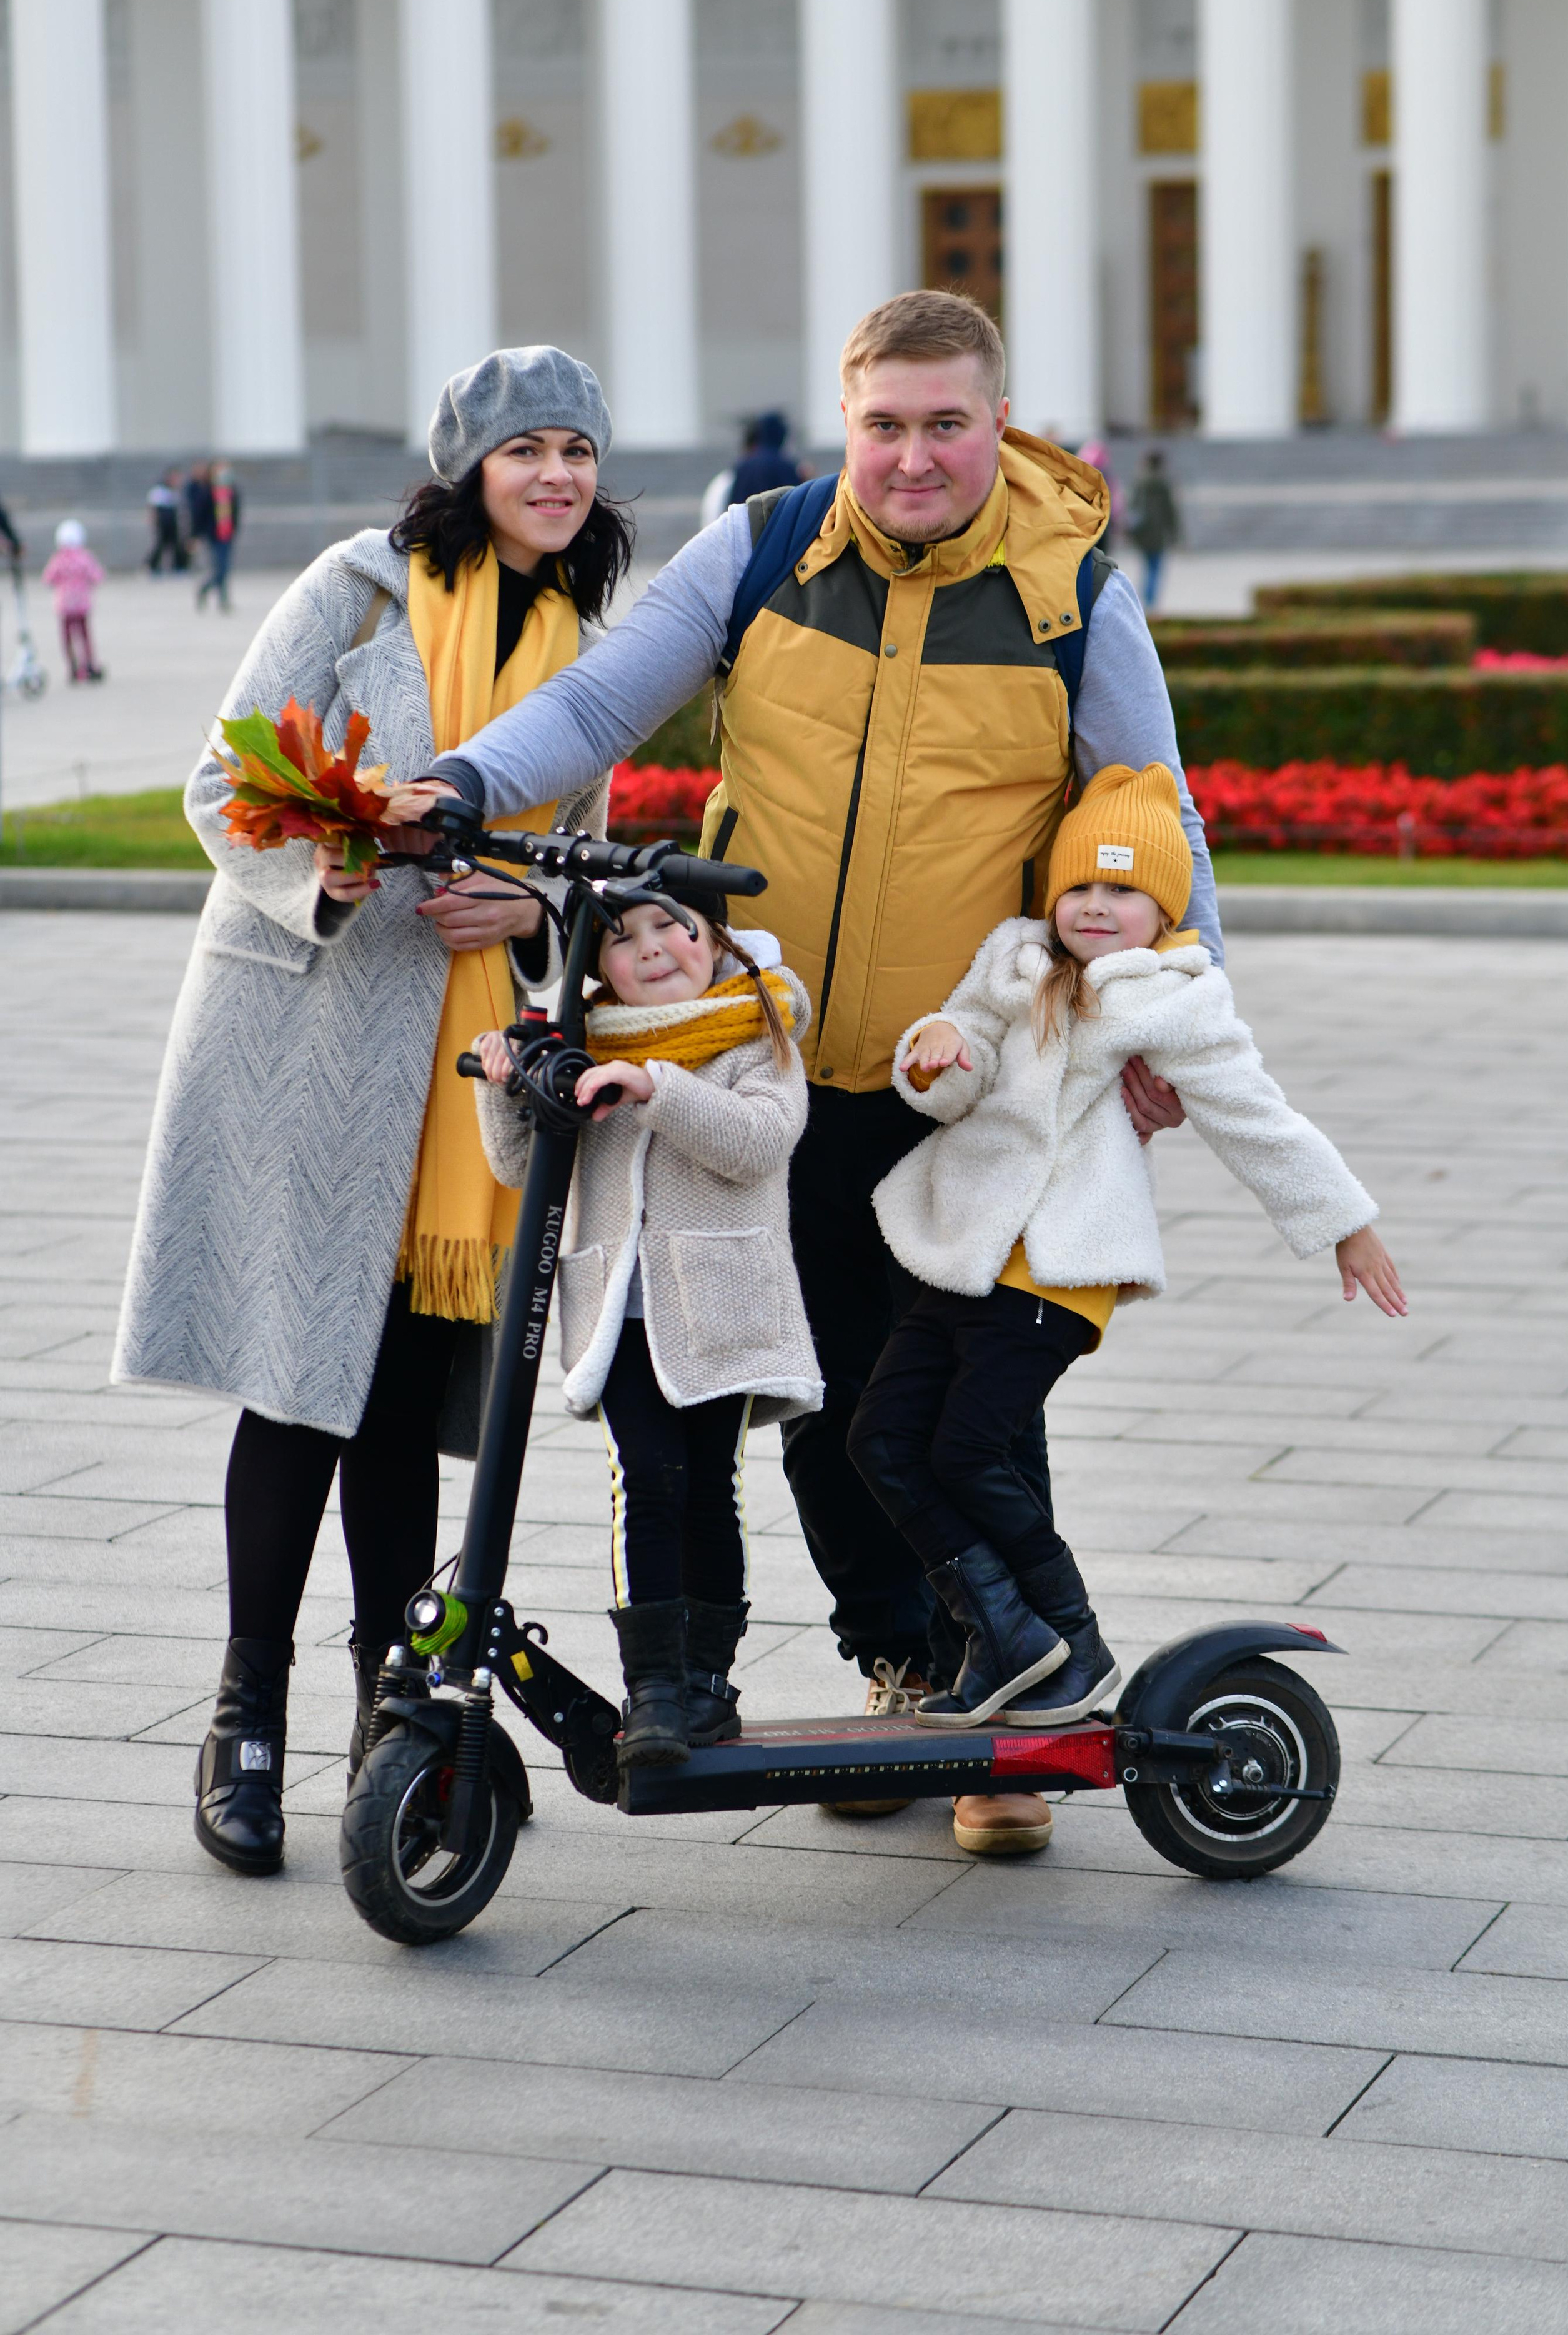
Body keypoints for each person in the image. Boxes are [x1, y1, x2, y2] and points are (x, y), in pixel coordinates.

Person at [385, 289, 1221, 1857]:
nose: (910, 458)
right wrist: (464, 780)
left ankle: (1002, 1716)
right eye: (883, 426)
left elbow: (1152, 813)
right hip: (760, 1061)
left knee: (943, 1400)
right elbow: (596, 698)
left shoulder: (1069, 598)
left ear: (996, 421)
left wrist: (1177, 1018)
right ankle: (906, 1671)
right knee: (813, 1400)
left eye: (944, 424)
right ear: (850, 423)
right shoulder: (764, 552)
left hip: (956, 1090)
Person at [112, 346, 633, 1876]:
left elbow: (577, 861)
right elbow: (226, 786)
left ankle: (388, 1714)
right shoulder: (354, 591)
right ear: (467, 464)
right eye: (526, 447)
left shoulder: (576, 643)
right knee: (296, 1385)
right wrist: (331, 870)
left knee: (402, 1400)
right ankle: (245, 1710)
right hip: (311, 1036)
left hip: (470, 1066)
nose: (555, 475)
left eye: (577, 451)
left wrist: (518, 911)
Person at [850, 762, 1404, 1750]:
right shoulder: (1013, 963)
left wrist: (1342, 1220)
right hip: (964, 1247)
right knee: (881, 1439)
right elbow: (956, 1066)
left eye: (1123, 890)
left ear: (1164, 909)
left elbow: (1254, 1117)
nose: (1096, 907)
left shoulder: (1173, 1001)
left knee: (969, 1450)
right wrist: (934, 1053)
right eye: (1080, 887)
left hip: (1059, 1267)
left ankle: (1070, 1636)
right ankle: (1004, 1633)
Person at [474, 897, 820, 1762]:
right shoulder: (592, 1047)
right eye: (622, 941)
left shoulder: (758, 1031)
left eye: (671, 926)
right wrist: (508, 1088)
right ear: (598, 970)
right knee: (647, 1480)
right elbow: (520, 1165)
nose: (653, 949)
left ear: (717, 938)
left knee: (710, 1487)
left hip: (720, 1310)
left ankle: (708, 1682)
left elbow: (757, 1144)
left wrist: (656, 1086)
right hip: (619, 1318)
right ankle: (655, 1688)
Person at [42, 518, 105, 682]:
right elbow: (97, 576)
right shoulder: (85, 557)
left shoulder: (58, 559)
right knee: (84, 635)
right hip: (82, 604)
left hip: (65, 604)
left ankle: (72, 666)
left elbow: (48, 579)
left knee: (67, 636)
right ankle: (89, 664)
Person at [1128, 449, 1181, 611]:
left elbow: (1132, 508)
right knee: (1155, 569)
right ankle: (1150, 602)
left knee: (1147, 568)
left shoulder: (1140, 482)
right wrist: (1175, 534)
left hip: (1143, 534)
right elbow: (1171, 512)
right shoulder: (1163, 484)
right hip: (1158, 535)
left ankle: (1144, 600)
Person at [727, 410, 802, 508]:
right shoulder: (784, 465)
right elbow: (795, 502)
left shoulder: (743, 465)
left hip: (746, 520)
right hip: (775, 522)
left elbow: (734, 503)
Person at [196, 459, 241, 610]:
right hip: (214, 536)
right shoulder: (208, 491)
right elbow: (200, 515)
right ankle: (205, 589)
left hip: (227, 535)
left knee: (224, 568)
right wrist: (196, 535)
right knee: (220, 568)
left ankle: (223, 600)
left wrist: (235, 529)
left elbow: (236, 513)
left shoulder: (231, 491)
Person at [147, 469, 189, 574]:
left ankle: (179, 566)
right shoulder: (159, 490)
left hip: (173, 522)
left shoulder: (175, 491)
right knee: (160, 545)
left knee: (176, 545)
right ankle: (152, 567)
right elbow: (153, 508)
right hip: (162, 523)